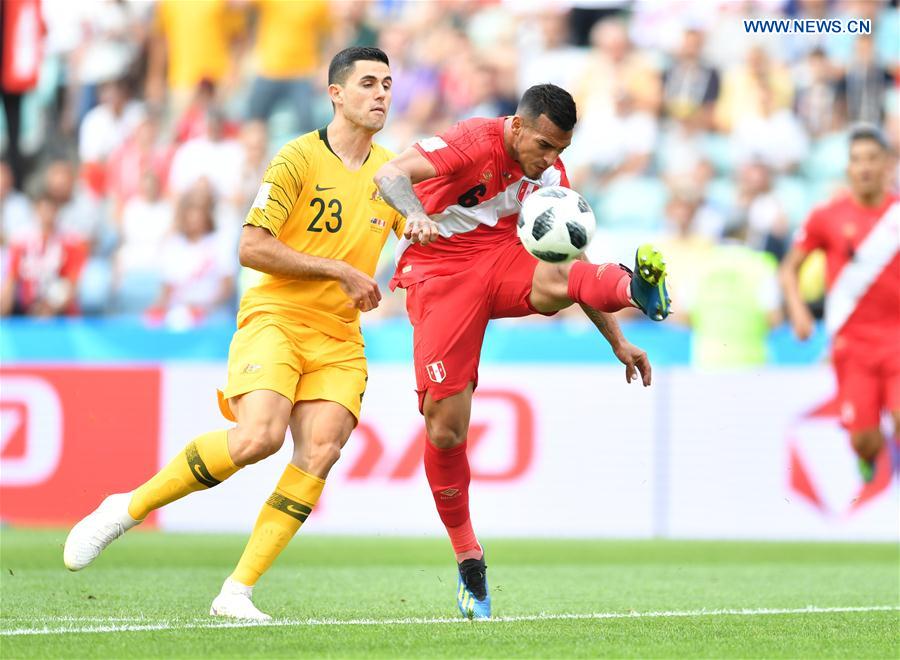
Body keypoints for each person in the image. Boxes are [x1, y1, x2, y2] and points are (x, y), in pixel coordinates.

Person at [64, 47, 406, 621]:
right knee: (258, 438)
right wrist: (340, 270)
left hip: (339, 336)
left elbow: (420, 243)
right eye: (368, 83)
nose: (380, 94)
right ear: (335, 94)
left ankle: (236, 592)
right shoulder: (296, 159)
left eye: (388, 85)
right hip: (276, 317)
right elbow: (251, 246)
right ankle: (127, 507)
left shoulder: (392, 173)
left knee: (321, 448)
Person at [374, 83, 670, 619]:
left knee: (561, 274)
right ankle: (469, 560)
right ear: (517, 126)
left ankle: (634, 289)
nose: (551, 160)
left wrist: (619, 340)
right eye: (544, 146)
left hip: (504, 262)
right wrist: (414, 213)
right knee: (446, 428)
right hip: (440, 271)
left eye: (561, 150)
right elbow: (389, 173)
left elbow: (571, 263)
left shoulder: (550, 177)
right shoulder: (470, 141)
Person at [781, 125, 899, 483]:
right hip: (852, 344)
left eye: (871, 159)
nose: (864, 167)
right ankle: (869, 453)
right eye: (856, 160)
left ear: (886, 165)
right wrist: (799, 311)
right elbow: (789, 269)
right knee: (863, 438)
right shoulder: (827, 216)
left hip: (896, 337)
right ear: (848, 168)